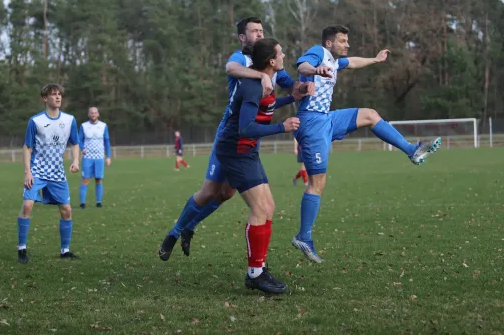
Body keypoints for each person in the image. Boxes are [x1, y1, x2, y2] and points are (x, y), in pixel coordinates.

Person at [158, 17, 314, 261]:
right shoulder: (242, 59)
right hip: (233, 133)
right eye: (254, 31)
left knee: (226, 194)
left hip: (252, 136)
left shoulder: (270, 63)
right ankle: (175, 232)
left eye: (262, 30)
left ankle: (189, 227)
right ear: (243, 37)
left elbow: (286, 83)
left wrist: (300, 89)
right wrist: (259, 75)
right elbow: (229, 69)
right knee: (209, 191)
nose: (259, 34)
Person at [291, 25, 442, 263]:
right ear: (329, 43)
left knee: (370, 115)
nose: (347, 44)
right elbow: (301, 66)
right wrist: (315, 69)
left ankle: (412, 151)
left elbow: (351, 62)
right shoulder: (318, 52)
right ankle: (303, 236)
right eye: (342, 40)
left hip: (327, 119)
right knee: (317, 183)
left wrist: (375, 59)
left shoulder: (333, 59)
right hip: (311, 123)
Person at [215, 38, 307, 293]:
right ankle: (254, 273)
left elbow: (266, 105)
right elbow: (245, 127)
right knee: (260, 207)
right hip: (235, 151)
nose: (285, 55)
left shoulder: (264, 82)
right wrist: (281, 127)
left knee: (269, 207)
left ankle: (259, 267)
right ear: (271, 61)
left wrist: (291, 98)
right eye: (281, 53)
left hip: (247, 151)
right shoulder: (254, 84)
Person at [17, 84, 80, 263]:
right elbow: (27, 147)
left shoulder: (69, 120)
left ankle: (65, 250)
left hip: (57, 172)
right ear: (45, 98)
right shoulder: (35, 121)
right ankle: (22, 249)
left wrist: (75, 161)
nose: (58, 97)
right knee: (28, 205)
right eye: (53, 95)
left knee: (67, 210)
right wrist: (27, 172)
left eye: (59, 94)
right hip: (36, 171)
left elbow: (75, 143)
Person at [79, 107, 111, 208]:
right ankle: (82, 203)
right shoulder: (83, 126)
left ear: (98, 114)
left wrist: (108, 156)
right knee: (85, 179)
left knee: (98, 179)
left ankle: (98, 202)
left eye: (95, 113)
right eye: (91, 113)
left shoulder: (103, 126)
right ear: (88, 115)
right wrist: (82, 148)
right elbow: (79, 140)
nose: (93, 115)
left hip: (99, 157)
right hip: (87, 157)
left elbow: (106, 141)